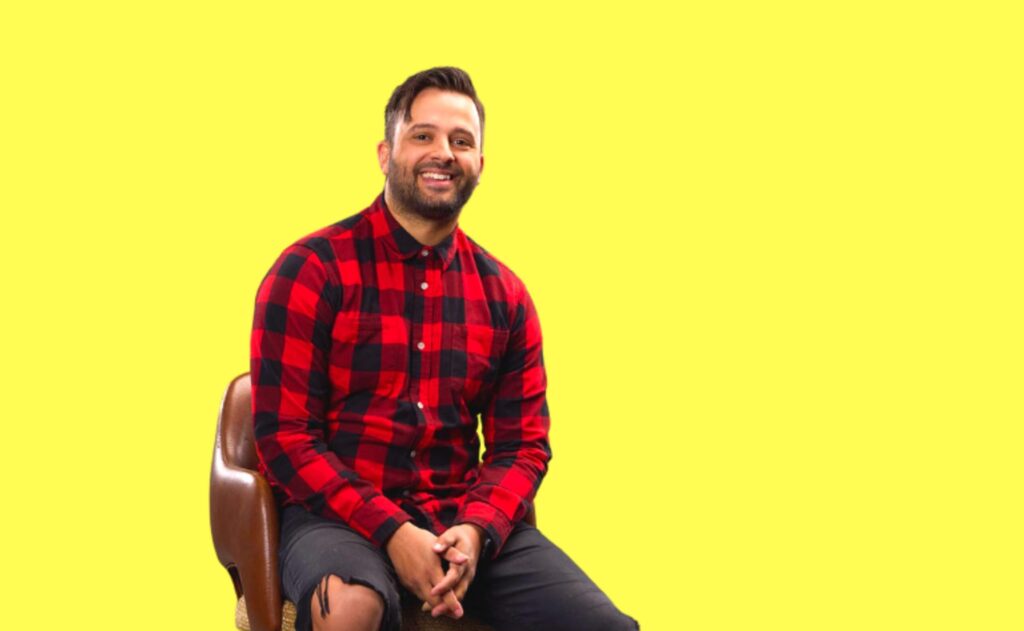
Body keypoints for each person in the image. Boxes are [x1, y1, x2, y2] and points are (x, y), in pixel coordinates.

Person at [250, 66, 638, 631]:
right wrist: (393, 532)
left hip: (459, 516)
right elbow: (285, 439)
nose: (444, 153)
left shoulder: (506, 296)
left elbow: (522, 446)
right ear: (386, 153)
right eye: (423, 135)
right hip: (333, 517)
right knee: (352, 608)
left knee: (604, 627)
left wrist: (477, 531)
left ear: (480, 163)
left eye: (462, 141)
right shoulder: (310, 270)